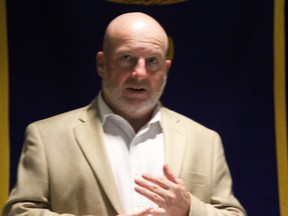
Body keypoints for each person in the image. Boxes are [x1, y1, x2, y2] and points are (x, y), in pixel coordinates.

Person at [3, 12, 246, 216]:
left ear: (166, 69)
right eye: (127, 58)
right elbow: (20, 212)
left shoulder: (205, 140)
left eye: (152, 61)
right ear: (102, 63)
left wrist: (189, 209)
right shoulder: (46, 136)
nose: (139, 73)